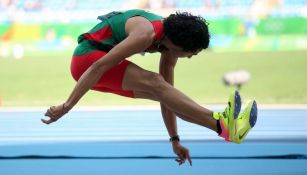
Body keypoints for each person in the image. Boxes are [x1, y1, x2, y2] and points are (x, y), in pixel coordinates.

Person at [42, 9, 258, 166]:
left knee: (163, 90)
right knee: (155, 82)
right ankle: (221, 120)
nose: (190, 57)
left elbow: (168, 99)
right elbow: (99, 66)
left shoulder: (168, 48)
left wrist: (175, 139)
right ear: (177, 45)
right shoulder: (145, 33)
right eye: (191, 52)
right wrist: (67, 106)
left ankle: (226, 130)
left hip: (97, 67)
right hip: (87, 60)